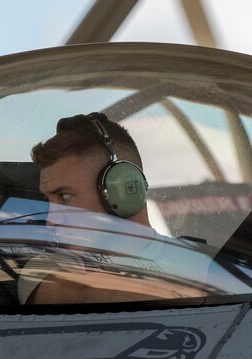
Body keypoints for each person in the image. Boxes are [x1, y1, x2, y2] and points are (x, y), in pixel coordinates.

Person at [17, 112, 218, 304]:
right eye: (48, 199)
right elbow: (85, 296)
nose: (51, 219)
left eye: (65, 196)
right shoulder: (46, 269)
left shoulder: (208, 261)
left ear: (123, 189)